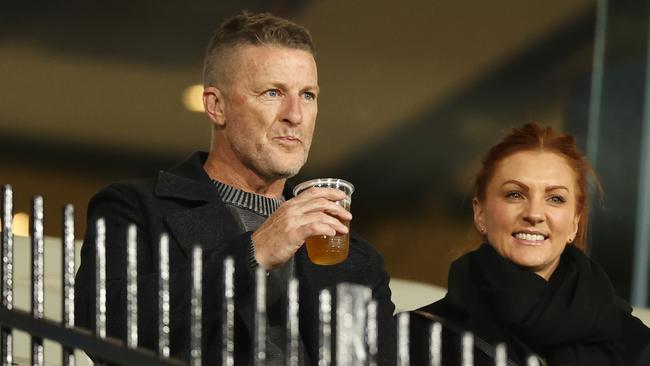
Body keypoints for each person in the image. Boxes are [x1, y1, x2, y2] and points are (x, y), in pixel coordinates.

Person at [74, 11, 396, 366]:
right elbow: (105, 330)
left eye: (308, 95)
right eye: (273, 92)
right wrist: (253, 253)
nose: (296, 115)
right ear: (216, 106)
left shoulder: (355, 258)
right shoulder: (136, 208)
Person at [409, 123, 650, 365]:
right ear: (480, 213)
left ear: (574, 223)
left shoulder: (633, 342)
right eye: (515, 194)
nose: (534, 214)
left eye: (555, 199)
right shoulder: (416, 335)